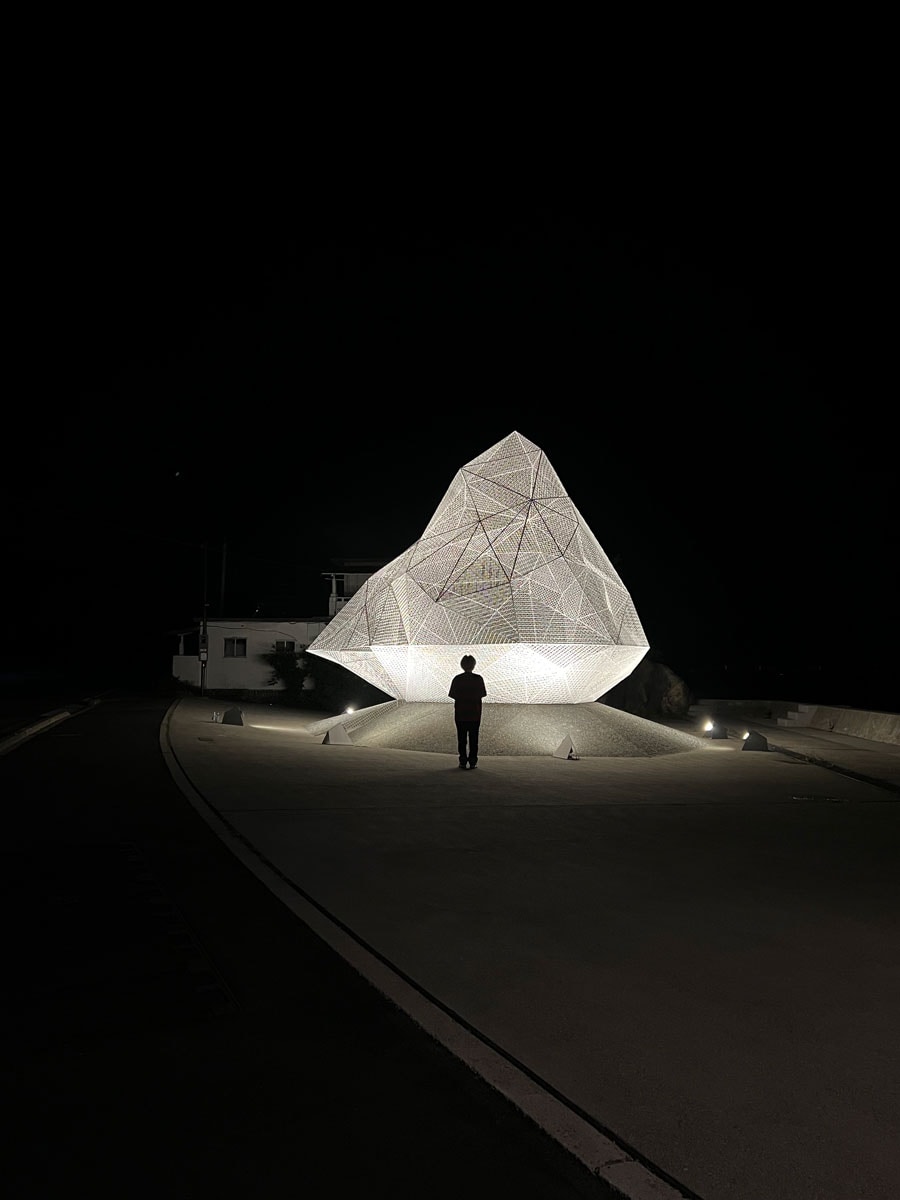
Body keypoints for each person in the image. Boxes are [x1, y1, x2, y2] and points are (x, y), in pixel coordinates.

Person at [448, 654, 487, 769]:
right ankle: (473, 761)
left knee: (462, 739)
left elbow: (453, 695)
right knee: (474, 739)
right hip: (475, 714)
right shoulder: (478, 679)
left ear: (462, 665)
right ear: (474, 665)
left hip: (460, 714)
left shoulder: (457, 679)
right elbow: (482, 694)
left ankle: (463, 761)